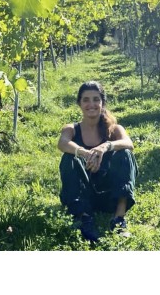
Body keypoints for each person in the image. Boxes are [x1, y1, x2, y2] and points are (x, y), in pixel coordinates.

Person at [57, 80, 138, 242]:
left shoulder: (114, 129)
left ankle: (118, 219)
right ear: (79, 103)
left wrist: (105, 147)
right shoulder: (71, 129)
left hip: (110, 196)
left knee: (125, 154)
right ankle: (85, 218)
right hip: (83, 195)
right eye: (86, 99)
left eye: (96, 99)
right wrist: (84, 153)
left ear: (102, 103)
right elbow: (62, 143)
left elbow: (129, 143)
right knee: (68, 157)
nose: (91, 104)